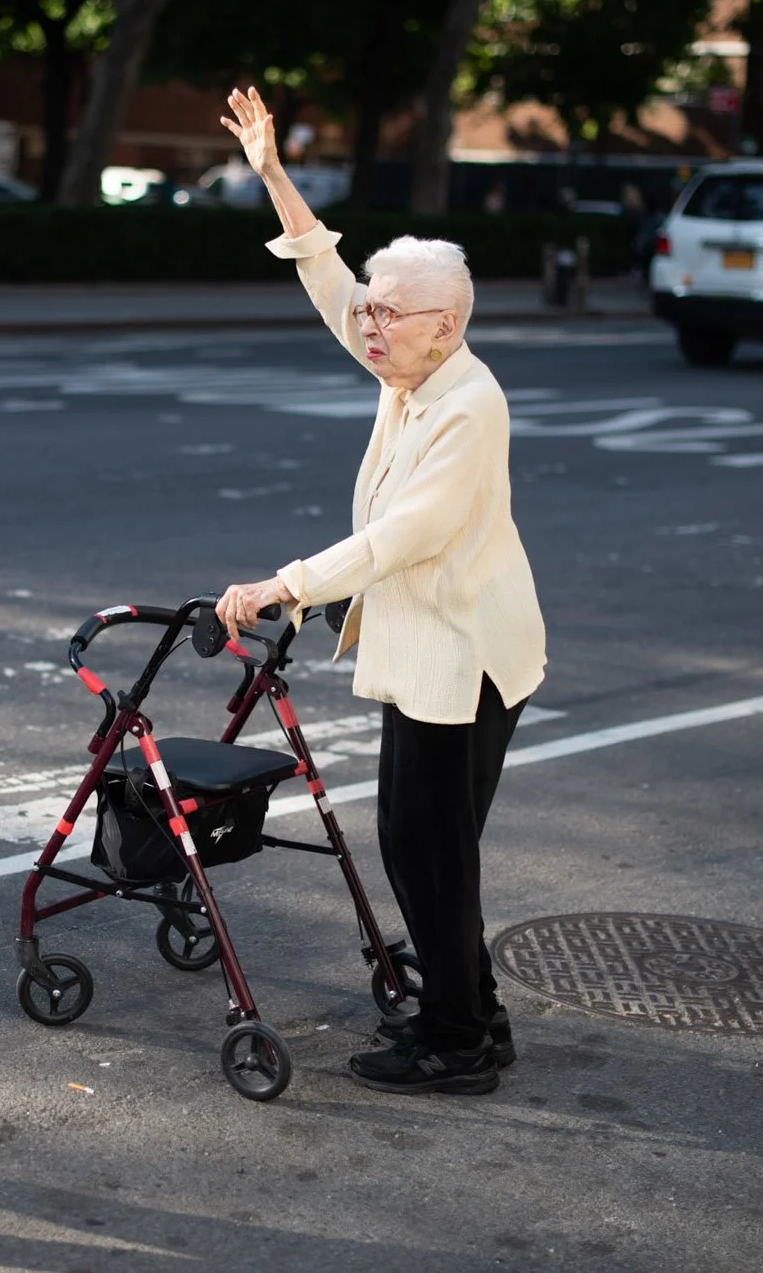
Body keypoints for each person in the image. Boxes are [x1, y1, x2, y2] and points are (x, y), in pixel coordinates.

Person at [213, 87, 547, 1098]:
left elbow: (406, 537)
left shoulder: (466, 404)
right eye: (369, 306)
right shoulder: (408, 372)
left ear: (441, 326)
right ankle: (468, 1012)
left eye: (385, 312)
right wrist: (272, 173)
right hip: (427, 653)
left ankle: (457, 1039)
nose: (366, 322)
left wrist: (286, 585)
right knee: (420, 845)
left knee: (429, 851)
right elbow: (326, 279)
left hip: (466, 660)